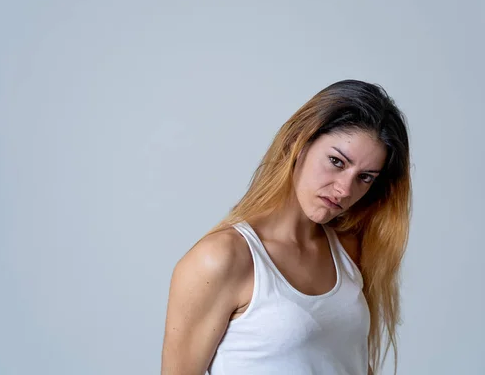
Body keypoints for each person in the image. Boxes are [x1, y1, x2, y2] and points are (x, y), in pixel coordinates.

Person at [161, 80, 412, 375]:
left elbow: (345, 362)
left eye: (365, 177)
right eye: (336, 161)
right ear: (297, 142)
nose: (345, 189)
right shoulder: (222, 259)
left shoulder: (348, 249)